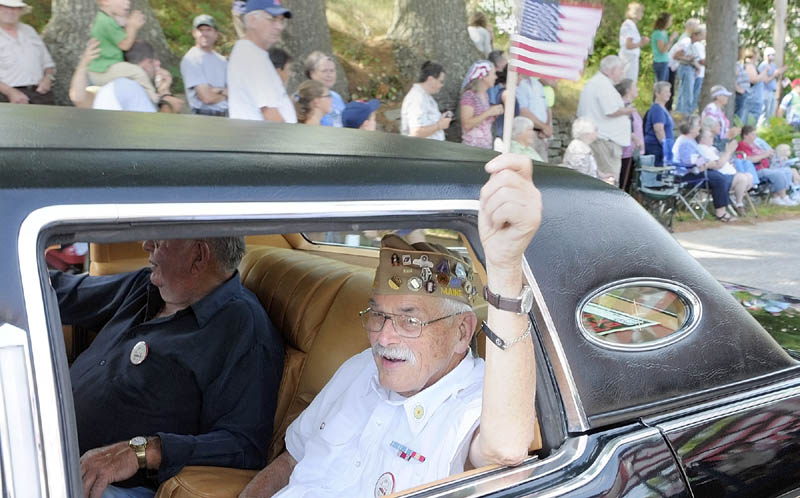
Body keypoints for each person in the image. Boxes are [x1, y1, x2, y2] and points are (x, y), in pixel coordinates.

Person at [239, 152, 540, 497]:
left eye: (409, 320)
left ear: (462, 332)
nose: (383, 336)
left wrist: (505, 269)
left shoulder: (472, 403)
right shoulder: (359, 369)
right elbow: (291, 461)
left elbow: (505, 449)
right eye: (378, 315)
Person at [53, 237, 284, 497]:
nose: (146, 244)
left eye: (160, 239)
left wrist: (142, 451)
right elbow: (64, 293)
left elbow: (244, 446)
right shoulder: (148, 286)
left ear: (198, 256)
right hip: (44, 444)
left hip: (109, 485)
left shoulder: (242, 329)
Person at [227, 0, 296, 122]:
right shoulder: (251, 57)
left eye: (281, 20)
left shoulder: (254, 53)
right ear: (252, 21)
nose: (279, 26)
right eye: (272, 19)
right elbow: (271, 117)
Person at [87, 0, 160, 105]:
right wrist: (132, 27)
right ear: (105, 1)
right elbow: (125, 45)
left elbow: (121, 22)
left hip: (103, 67)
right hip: (104, 70)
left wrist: (128, 22)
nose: (128, 3)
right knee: (137, 72)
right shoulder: (106, 22)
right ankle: (153, 98)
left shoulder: (106, 19)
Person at [576, 55, 634, 185]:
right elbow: (611, 111)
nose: (622, 73)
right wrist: (628, 110)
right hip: (604, 142)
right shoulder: (602, 85)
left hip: (601, 139)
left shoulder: (597, 83)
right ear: (612, 70)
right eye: (620, 70)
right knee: (609, 181)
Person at [672, 116, 735, 221]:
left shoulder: (689, 140)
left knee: (720, 176)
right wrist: (708, 164)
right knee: (719, 179)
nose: (699, 128)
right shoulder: (685, 142)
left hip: (694, 172)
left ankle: (723, 209)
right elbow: (691, 163)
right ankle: (721, 213)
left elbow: (698, 160)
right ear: (691, 129)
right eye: (698, 125)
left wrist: (707, 163)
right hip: (686, 176)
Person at [93, 41, 182, 113]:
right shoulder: (129, 86)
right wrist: (165, 94)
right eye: (152, 61)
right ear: (145, 65)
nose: (158, 63)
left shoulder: (120, 84)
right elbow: (153, 128)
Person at [0, 0, 55, 105]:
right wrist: (10, 92)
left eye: (15, 8)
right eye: (5, 7)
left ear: (20, 11)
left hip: (40, 94)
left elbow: (47, 63)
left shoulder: (30, 31)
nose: (10, 11)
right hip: (7, 98)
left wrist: (48, 79)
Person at [180, 14, 228, 117]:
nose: (204, 33)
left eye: (208, 30)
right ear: (194, 33)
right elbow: (207, 97)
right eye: (200, 30)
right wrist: (224, 92)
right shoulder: (191, 59)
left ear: (216, 34)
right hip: (203, 117)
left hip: (226, 116)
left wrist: (217, 91)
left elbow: (235, 92)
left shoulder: (222, 61)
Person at [737, 125, 797, 206]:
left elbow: (763, 155)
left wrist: (770, 155)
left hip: (767, 167)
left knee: (787, 171)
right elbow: (747, 159)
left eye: (755, 134)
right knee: (778, 174)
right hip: (755, 171)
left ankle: (777, 197)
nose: (755, 137)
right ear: (745, 135)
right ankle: (783, 197)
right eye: (753, 134)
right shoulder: (742, 145)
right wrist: (763, 155)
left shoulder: (755, 145)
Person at [696, 128, 752, 211]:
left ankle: (734, 199)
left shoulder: (712, 148)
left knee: (749, 176)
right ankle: (739, 204)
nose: (713, 138)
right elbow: (719, 164)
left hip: (728, 174)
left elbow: (723, 160)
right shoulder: (702, 148)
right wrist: (729, 151)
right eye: (711, 136)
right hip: (720, 177)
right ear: (703, 139)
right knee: (742, 178)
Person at [400, 61, 451, 140]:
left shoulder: (425, 96)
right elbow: (416, 132)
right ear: (431, 79)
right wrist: (439, 125)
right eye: (441, 81)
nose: (442, 85)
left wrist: (442, 118)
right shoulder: (416, 98)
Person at [459, 60, 504, 149]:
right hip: (471, 149)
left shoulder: (485, 95)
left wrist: (494, 114)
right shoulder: (469, 95)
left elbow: (481, 121)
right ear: (483, 76)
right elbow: (466, 125)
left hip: (485, 148)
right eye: (494, 73)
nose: (496, 77)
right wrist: (488, 112)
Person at [616, 78, 644, 192]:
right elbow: (625, 126)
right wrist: (636, 139)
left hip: (633, 151)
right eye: (635, 87)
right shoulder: (625, 107)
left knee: (629, 183)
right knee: (624, 183)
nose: (638, 89)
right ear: (628, 90)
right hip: (628, 151)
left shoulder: (630, 106)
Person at [304, 51, 345, 127]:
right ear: (312, 74)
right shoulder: (305, 97)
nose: (329, 75)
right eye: (324, 71)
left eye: (332, 70)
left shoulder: (337, 97)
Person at [517, 74, 552, 161]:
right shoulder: (519, 84)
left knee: (544, 167)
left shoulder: (537, 83)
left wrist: (546, 127)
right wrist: (544, 127)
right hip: (527, 133)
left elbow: (547, 108)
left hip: (541, 134)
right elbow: (523, 111)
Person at [670, 24, 703, 115]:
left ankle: (680, 111)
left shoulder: (693, 45)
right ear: (695, 35)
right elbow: (677, 56)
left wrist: (696, 65)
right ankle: (685, 113)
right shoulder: (687, 42)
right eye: (701, 35)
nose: (702, 37)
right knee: (687, 92)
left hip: (690, 69)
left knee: (684, 91)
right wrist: (689, 59)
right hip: (686, 68)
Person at [644, 81, 675, 166]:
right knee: (657, 174)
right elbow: (659, 129)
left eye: (669, 91)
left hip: (660, 147)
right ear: (657, 94)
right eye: (666, 91)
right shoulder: (657, 109)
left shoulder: (662, 108)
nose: (669, 94)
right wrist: (666, 148)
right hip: (656, 147)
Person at [618, 2, 648, 82]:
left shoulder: (631, 25)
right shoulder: (629, 25)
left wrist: (640, 40)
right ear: (636, 12)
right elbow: (628, 45)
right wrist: (641, 43)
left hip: (630, 58)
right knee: (628, 83)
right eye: (641, 11)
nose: (642, 14)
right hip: (629, 59)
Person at [651, 12, 678, 82]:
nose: (671, 23)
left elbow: (667, 49)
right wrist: (671, 38)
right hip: (660, 63)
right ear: (665, 21)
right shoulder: (658, 33)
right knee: (660, 86)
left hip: (665, 61)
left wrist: (672, 40)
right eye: (670, 20)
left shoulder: (664, 32)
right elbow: (662, 50)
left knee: (664, 85)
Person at [759, 47, 781, 122]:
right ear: (766, 55)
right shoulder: (763, 65)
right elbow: (766, 80)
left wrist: (778, 73)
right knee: (765, 113)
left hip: (772, 91)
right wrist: (774, 74)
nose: (772, 56)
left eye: (773, 55)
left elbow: (774, 77)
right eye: (770, 55)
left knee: (771, 113)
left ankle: (768, 130)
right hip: (765, 91)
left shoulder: (773, 65)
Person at [690, 24, 706, 113]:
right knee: (695, 95)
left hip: (700, 73)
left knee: (696, 94)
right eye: (703, 34)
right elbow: (701, 60)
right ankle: (691, 112)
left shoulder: (698, 45)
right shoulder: (697, 45)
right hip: (699, 74)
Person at [734, 48, 751, 121]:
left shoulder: (739, 64)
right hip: (740, 93)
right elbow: (733, 77)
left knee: (742, 114)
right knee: (738, 115)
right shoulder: (735, 65)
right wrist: (738, 89)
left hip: (744, 91)